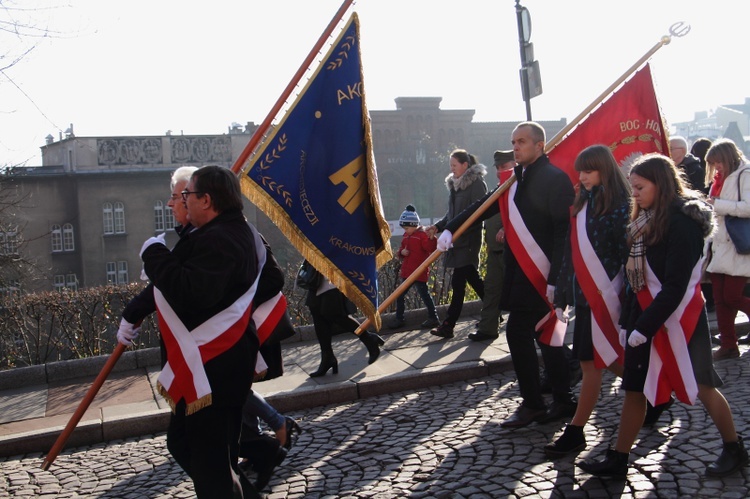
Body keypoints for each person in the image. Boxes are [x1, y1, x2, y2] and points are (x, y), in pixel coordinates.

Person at [578, 153, 748, 478]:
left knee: (703, 385)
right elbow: (634, 278)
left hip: (679, 319)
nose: (635, 194)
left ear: (661, 184)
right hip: (645, 318)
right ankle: (618, 458)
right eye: (633, 188)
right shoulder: (644, 220)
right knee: (634, 387)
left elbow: (675, 285)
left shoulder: (682, 224)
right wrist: (630, 323)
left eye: (640, 187)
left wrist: (642, 325)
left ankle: (734, 447)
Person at [126, 165, 261, 497]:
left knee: (210, 462)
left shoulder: (221, 238)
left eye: (187, 195)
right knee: (189, 445)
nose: (181, 201)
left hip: (215, 365)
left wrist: (152, 253)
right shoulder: (217, 233)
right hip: (210, 364)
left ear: (207, 200)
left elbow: (190, 291)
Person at [437, 122, 577, 426]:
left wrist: (557, 279)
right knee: (546, 336)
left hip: (543, 275)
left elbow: (562, 233)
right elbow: (482, 207)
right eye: (514, 142)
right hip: (522, 272)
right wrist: (449, 227)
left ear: (540, 145)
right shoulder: (515, 180)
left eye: (522, 142)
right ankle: (563, 399)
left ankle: (535, 404)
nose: (516, 147)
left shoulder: (555, 180)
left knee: (520, 333)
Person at [543, 145, 631, 457]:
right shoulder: (582, 204)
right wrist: (561, 293)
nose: (582, 177)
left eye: (589, 170)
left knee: (592, 363)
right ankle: (651, 391)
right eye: (580, 170)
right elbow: (570, 254)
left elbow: (628, 259)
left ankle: (576, 431)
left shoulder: (621, 208)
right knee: (602, 360)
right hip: (584, 297)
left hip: (607, 298)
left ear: (604, 171)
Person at [427, 149, 487, 339]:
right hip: (456, 241)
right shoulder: (455, 185)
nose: (452, 169)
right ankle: (493, 311)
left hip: (468, 240)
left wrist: (455, 231)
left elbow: (476, 213)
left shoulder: (476, 185)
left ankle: (448, 325)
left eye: (454, 165)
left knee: (458, 282)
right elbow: (451, 214)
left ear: (465, 165)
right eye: (450, 166)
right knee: (473, 279)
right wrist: (438, 227)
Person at [704, 139, 750, 360]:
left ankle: (729, 344)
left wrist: (716, 204)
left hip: (737, 244)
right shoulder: (719, 179)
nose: (716, 167)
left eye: (717, 162)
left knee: (731, 297)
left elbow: (748, 207)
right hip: (719, 244)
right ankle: (728, 344)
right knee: (721, 299)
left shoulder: (745, 173)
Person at [305, 265, 384, 377]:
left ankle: (368, 339)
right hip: (317, 278)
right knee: (319, 319)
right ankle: (327, 357)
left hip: (331, 278)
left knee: (336, 316)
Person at [469, 150, 514, 342]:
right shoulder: (498, 189)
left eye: (503, 167)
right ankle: (488, 328)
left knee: (520, 295)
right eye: (497, 167)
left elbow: (519, 215)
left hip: (512, 251)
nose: (499, 171)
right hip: (495, 250)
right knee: (491, 290)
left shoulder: (517, 188)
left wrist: (505, 228)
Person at [389, 204, 440, 329]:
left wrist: (432, 238)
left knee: (424, 295)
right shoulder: (406, 236)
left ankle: (433, 317)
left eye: (407, 228)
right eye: (404, 228)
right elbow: (401, 249)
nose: (405, 230)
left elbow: (430, 248)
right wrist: (401, 252)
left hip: (418, 271)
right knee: (400, 295)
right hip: (407, 271)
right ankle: (399, 318)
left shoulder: (422, 235)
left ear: (413, 225)